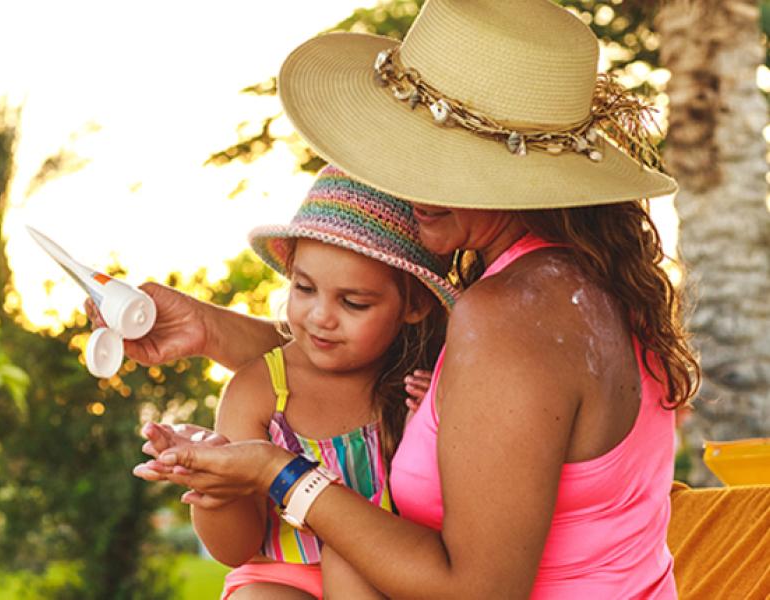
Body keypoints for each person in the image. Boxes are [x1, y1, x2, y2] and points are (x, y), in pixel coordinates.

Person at [117, 0, 702, 598]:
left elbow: (480, 590)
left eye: (442, 158)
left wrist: (279, 471)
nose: (408, 180)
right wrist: (210, 331)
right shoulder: (585, 283)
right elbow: (363, 351)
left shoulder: (507, 315)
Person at [197, 164, 457, 599]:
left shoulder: (421, 385)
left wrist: (429, 429)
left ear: (414, 306)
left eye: (353, 303)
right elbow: (234, 548)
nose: (321, 317)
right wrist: (214, 491)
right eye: (303, 288)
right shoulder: (261, 391)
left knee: (346, 561)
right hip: (279, 576)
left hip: (386, 575)